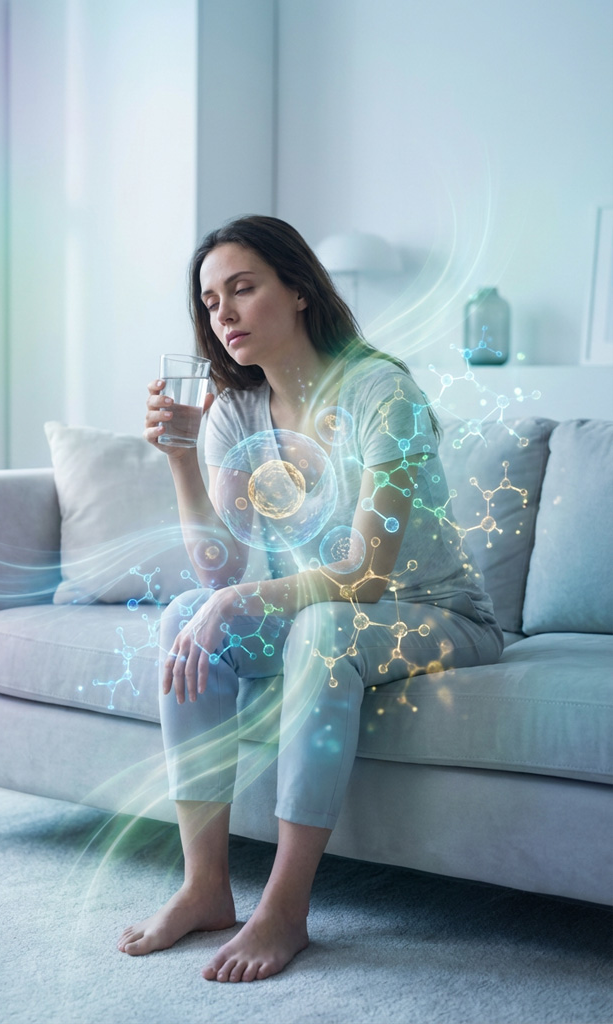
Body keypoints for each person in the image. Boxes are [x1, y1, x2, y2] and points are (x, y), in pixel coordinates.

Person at [118, 215, 503, 982]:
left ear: (298, 290)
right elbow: (218, 572)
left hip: (436, 612)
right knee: (183, 617)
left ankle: (285, 909)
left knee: (324, 627)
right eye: (209, 300)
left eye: (242, 288)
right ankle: (204, 887)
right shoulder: (234, 411)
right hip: (324, 609)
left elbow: (364, 578)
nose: (221, 313)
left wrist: (239, 601)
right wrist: (183, 459)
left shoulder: (378, 392)